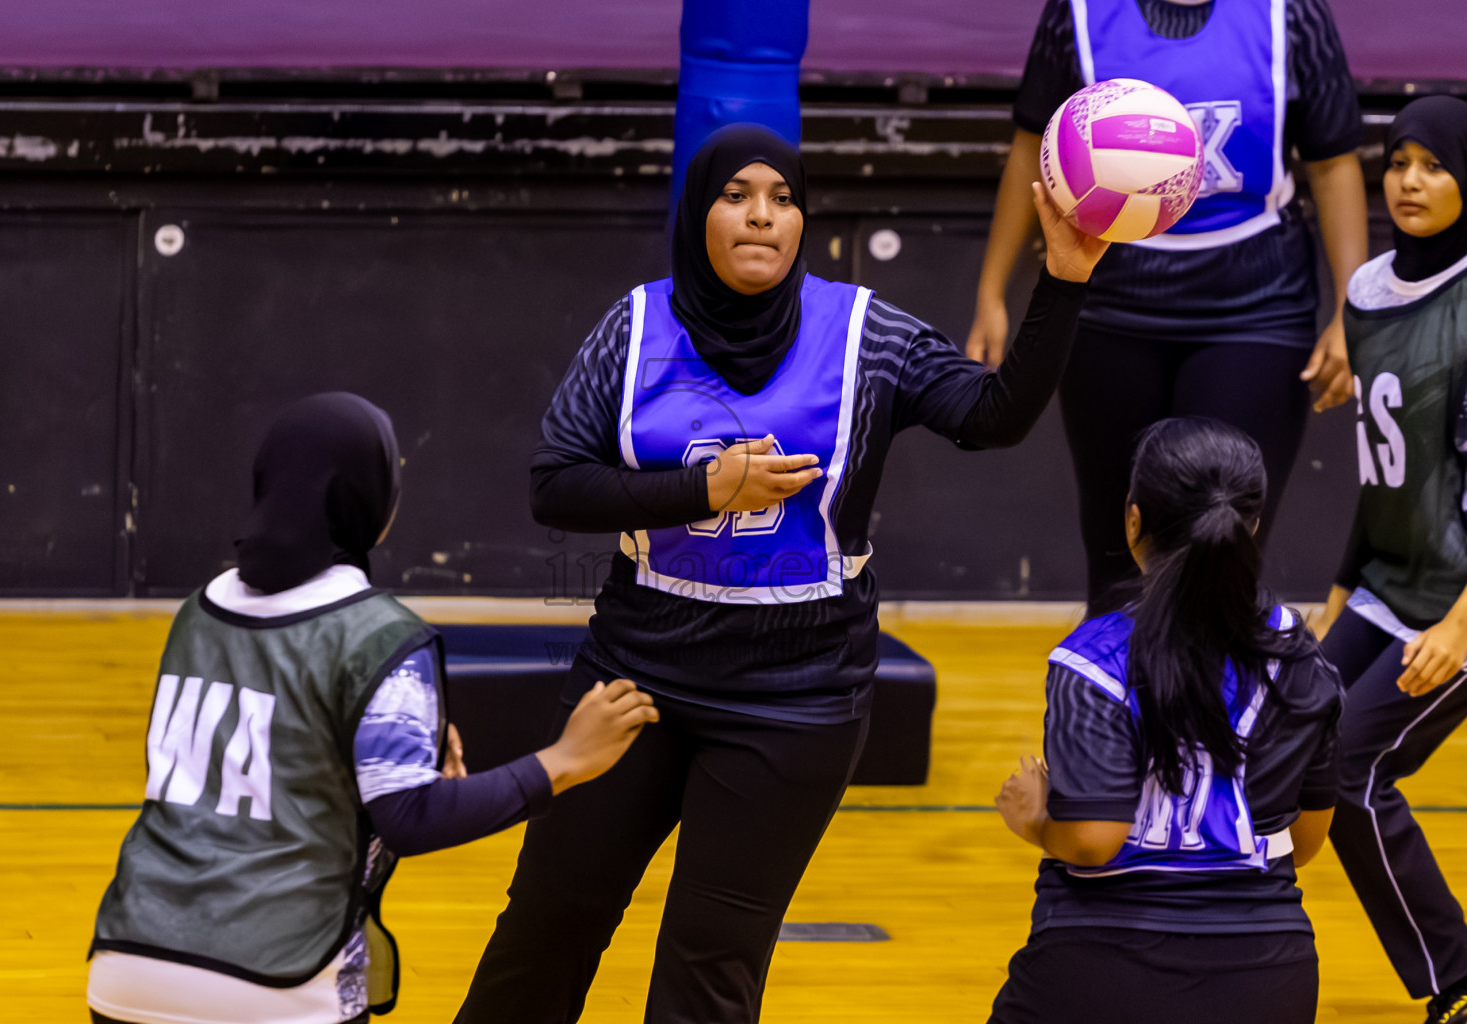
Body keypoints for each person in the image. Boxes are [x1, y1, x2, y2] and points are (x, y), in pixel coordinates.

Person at [451, 123, 1107, 1024]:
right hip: (637, 675)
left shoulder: (868, 333)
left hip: (795, 697)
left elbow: (991, 416)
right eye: (736, 196)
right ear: (699, 214)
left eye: (783, 198)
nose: (761, 216)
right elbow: (554, 486)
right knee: (545, 929)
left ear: (803, 221)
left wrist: (1065, 277)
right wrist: (703, 487)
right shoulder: (636, 324)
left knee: (707, 969)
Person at [86, 392, 658, 1024]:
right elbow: (409, 817)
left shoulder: (197, 611)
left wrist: (381, 751)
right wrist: (563, 762)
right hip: (276, 976)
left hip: (126, 961)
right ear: (369, 500)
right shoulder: (379, 634)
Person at [969, 0, 1369, 615]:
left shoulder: (1289, 14)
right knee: (1116, 552)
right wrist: (992, 291)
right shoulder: (1077, 12)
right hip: (1110, 305)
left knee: (1223, 544)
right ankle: (1108, 706)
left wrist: (1351, 308)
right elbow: (1031, 147)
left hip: (1257, 306)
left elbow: (1334, 163)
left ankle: (1211, 707)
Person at [991, 416, 1343, 1023]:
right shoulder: (1300, 655)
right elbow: (1305, 841)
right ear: (1251, 527)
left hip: (1102, 963)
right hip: (1270, 972)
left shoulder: (1092, 657)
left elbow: (1091, 840)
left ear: (1133, 522)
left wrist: (1037, 818)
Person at [1306, 96, 1467, 1024]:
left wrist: (1458, 626)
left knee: (1353, 772)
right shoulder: (1366, 291)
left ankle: (1456, 973)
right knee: (1280, 733)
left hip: (1456, 606)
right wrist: (1341, 588)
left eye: (1436, 166)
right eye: (1399, 161)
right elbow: (1383, 475)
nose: (1410, 181)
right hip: (1384, 586)